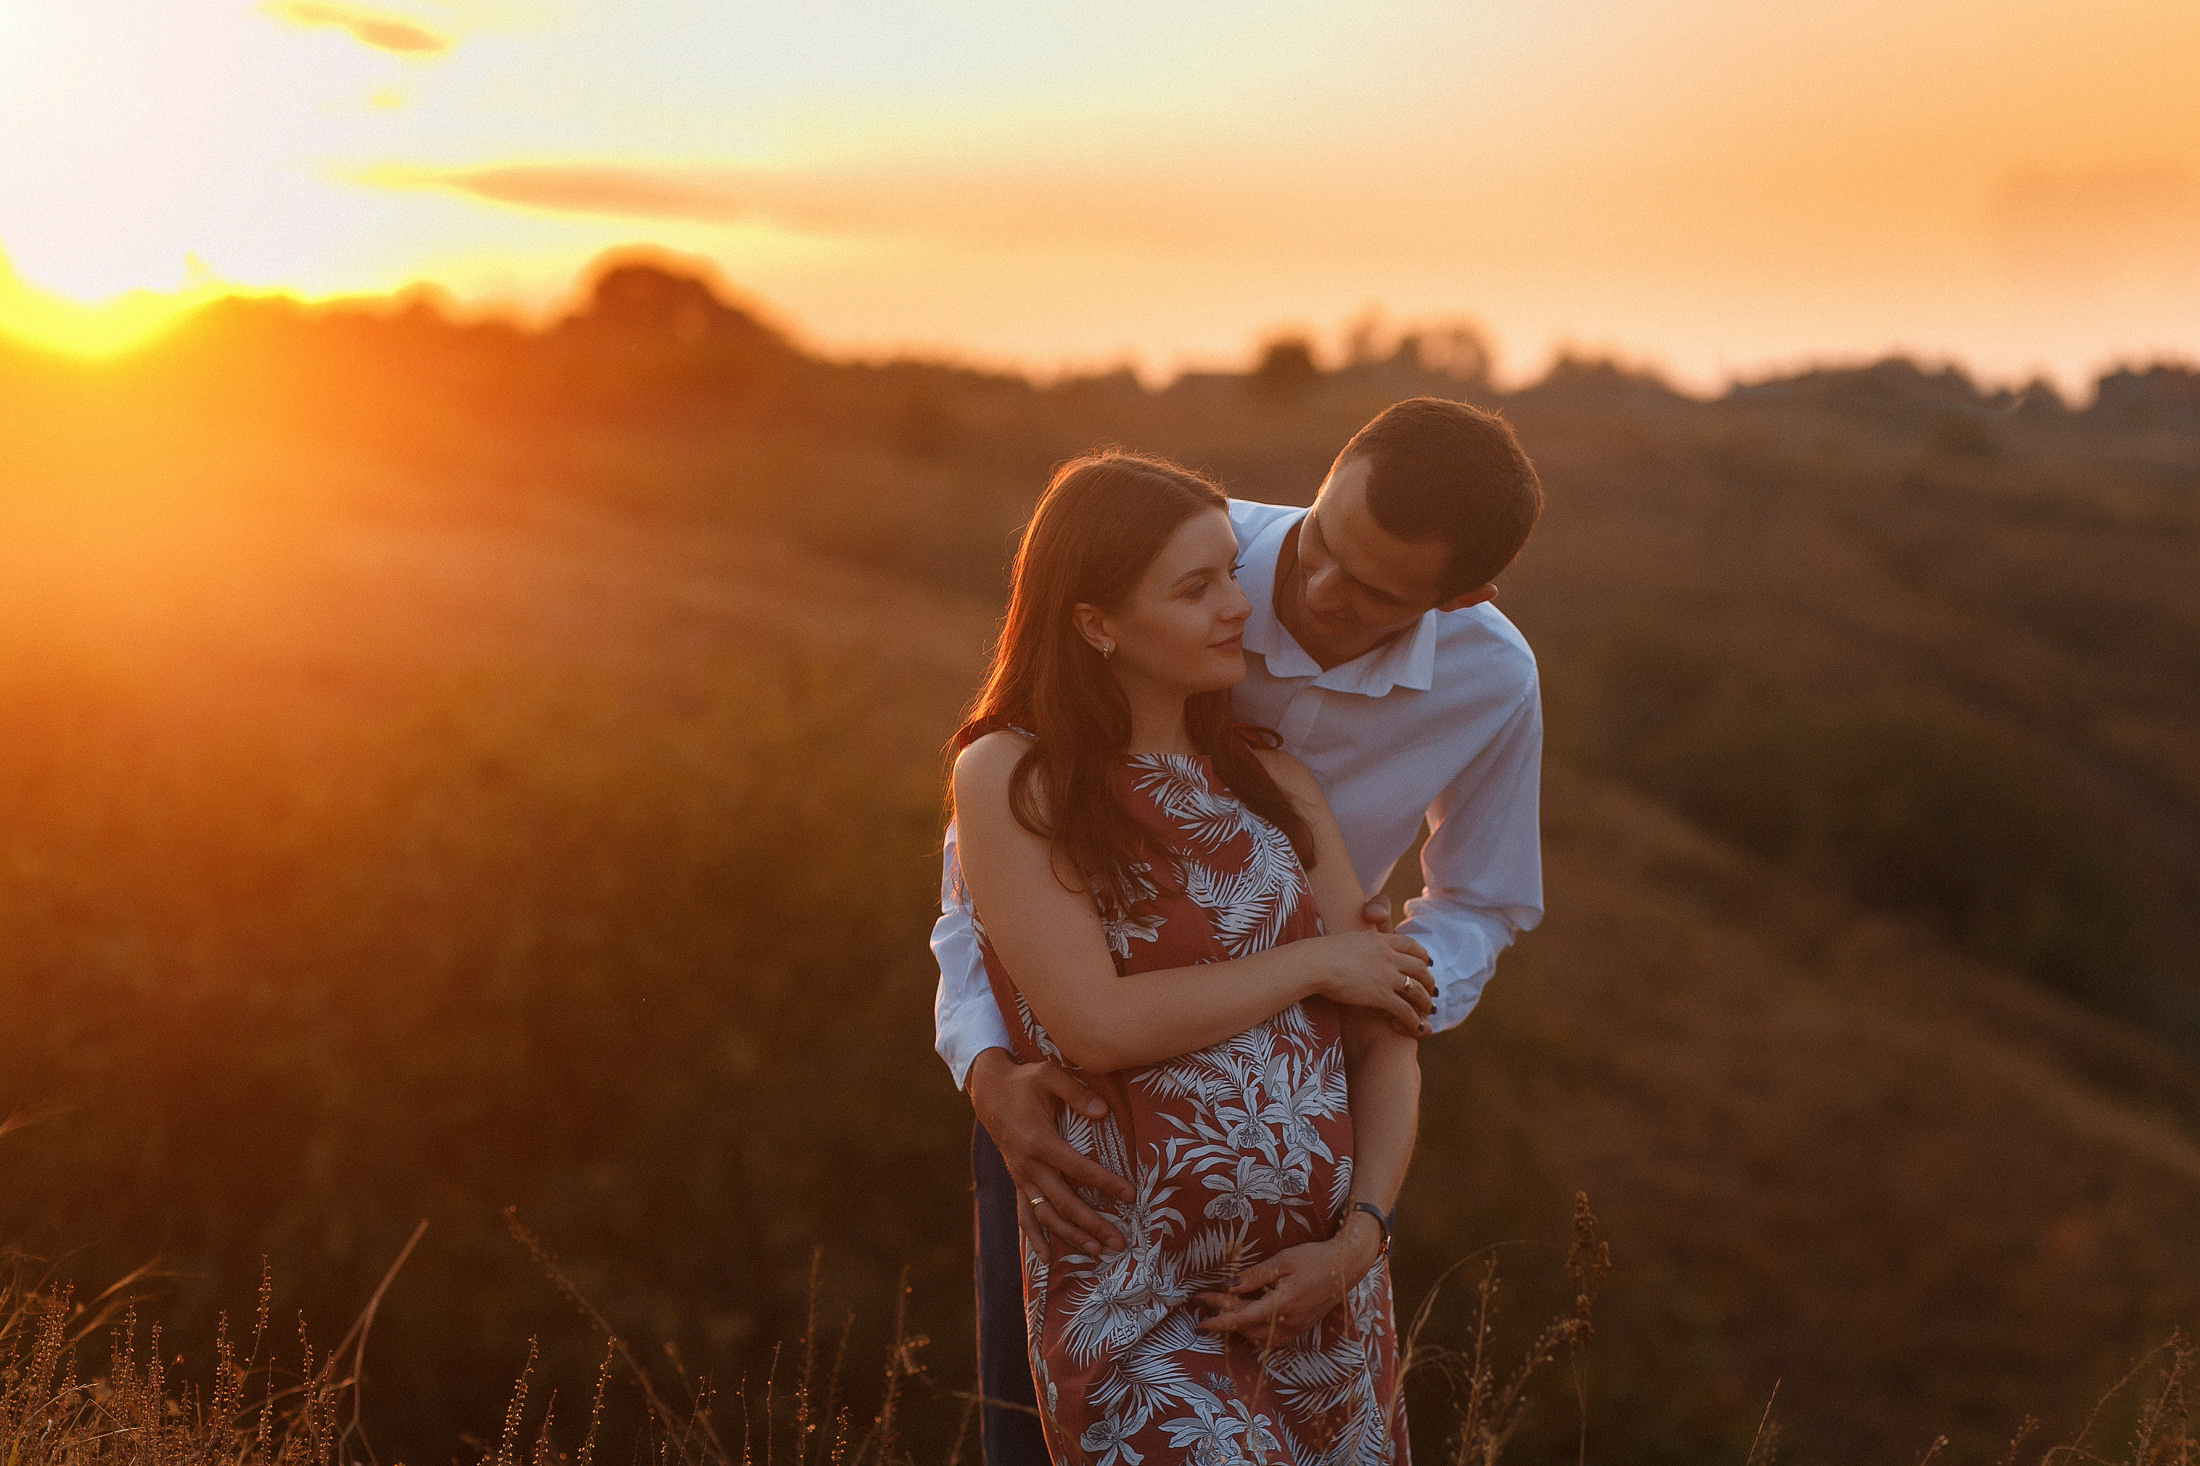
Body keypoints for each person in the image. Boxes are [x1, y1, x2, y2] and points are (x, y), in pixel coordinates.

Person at [937, 398, 1546, 1466]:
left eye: (1372, 594)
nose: (1313, 593)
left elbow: (1479, 902)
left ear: (1459, 598)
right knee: (1030, 1433)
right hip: (1092, 1145)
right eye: (1321, 546)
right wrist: (982, 1060)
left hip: (1314, 1229)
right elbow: (982, 893)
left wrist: (1379, 999)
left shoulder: (1485, 680)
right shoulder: (1182, 559)